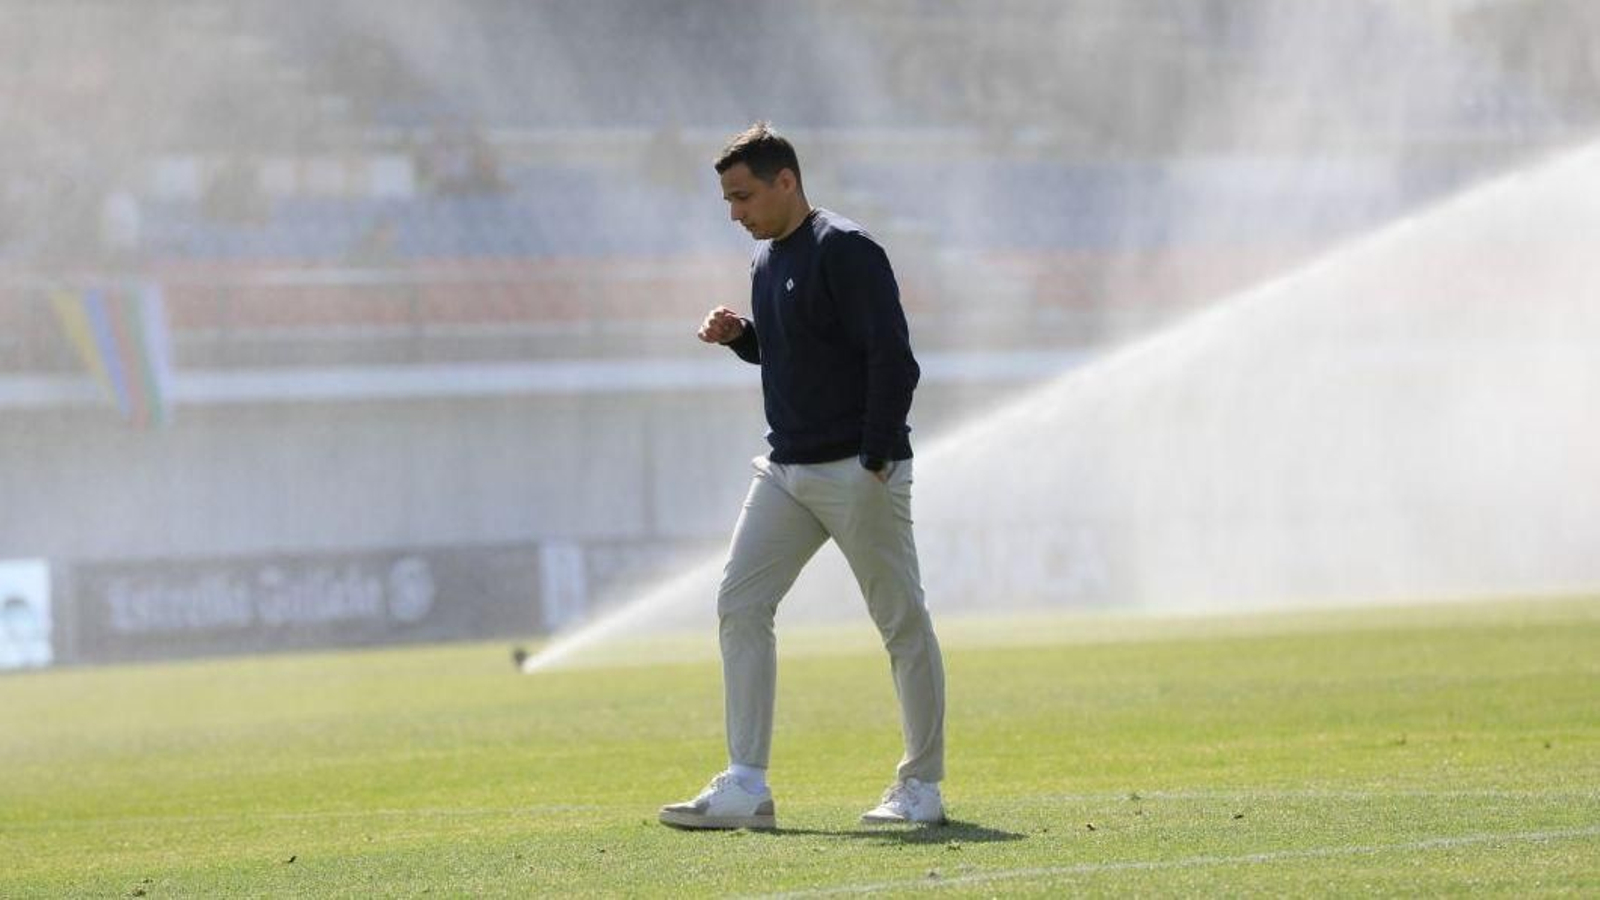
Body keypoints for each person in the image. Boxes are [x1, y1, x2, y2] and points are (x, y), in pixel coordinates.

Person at [659, 123, 946, 830]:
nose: (735, 213)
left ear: (786, 180)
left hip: (858, 469)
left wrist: (877, 457)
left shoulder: (846, 248)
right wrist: (742, 340)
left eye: (743, 196)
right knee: (739, 603)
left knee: (900, 623)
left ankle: (922, 788)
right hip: (785, 470)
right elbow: (795, 355)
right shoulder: (766, 258)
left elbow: (893, 359)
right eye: (728, 199)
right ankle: (747, 785)